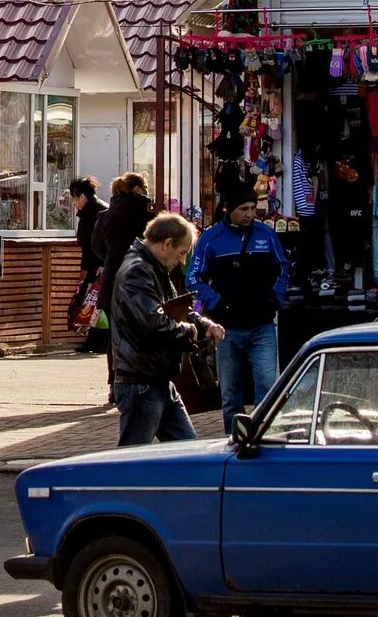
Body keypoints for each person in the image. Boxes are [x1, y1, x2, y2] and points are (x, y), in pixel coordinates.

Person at [110, 213, 222, 446]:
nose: (182, 261)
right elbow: (154, 322)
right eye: (182, 252)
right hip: (141, 381)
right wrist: (191, 331)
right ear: (167, 244)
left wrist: (203, 324)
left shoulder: (153, 268)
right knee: (132, 457)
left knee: (187, 449)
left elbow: (174, 309)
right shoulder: (138, 271)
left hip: (156, 378)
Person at [190, 177, 289, 435]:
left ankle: (266, 438)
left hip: (262, 326)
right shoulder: (211, 239)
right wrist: (216, 302)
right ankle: (233, 440)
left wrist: (275, 298)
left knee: (268, 386)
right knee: (231, 393)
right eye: (243, 209)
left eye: (252, 208)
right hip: (227, 330)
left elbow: (283, 268)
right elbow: (193, 277)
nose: (249, 214)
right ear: (228, 209)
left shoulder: (266, 235)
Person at [92, 172, 155, 321]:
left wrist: (110, 257)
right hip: (142, 279)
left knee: (114, 332)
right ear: (137, 189)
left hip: (112, 277)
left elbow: (96, 246)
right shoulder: (149, 218)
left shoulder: (105, 216)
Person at [68, 176, 106, 350]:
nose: (74, 204)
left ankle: (98, 341)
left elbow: (100, 244)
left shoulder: (98, 213)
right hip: (92, 265)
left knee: (96, 303)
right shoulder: (90, 212)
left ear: (81, 196)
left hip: (100, 266)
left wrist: (101, 265)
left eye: (74, 199)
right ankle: (95, 340)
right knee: (91, 302)